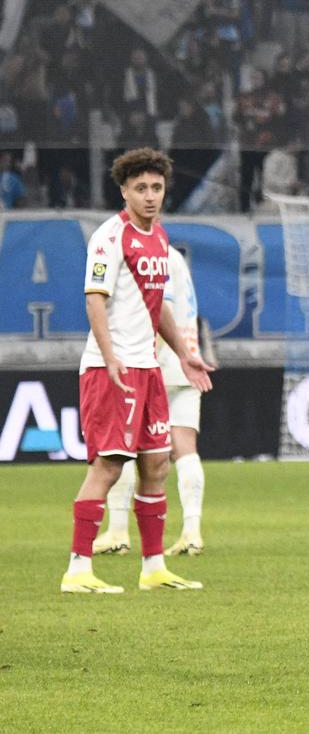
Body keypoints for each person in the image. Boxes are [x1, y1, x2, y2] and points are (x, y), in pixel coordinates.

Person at [61, 148, 214, 594]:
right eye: (141, 188)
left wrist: (185, 354)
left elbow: (158, 306)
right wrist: (111, 357)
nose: (150, 196)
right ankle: (77, 568)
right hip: (114, 369)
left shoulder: (159, 238)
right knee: (109, 466)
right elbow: (95, 298)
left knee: (156, 465)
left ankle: (152, 567)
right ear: (124, 190)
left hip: (149, 369)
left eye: (157, 188)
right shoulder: (110, 237)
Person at [93, 245, 213, 557]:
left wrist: (140, 359)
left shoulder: (152, 255)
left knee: (124, 446)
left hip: (155, 362)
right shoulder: (176, 258)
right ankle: (192, 531)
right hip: (186, 358)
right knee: (185, 447)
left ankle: (118, 531)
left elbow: (159, 306)